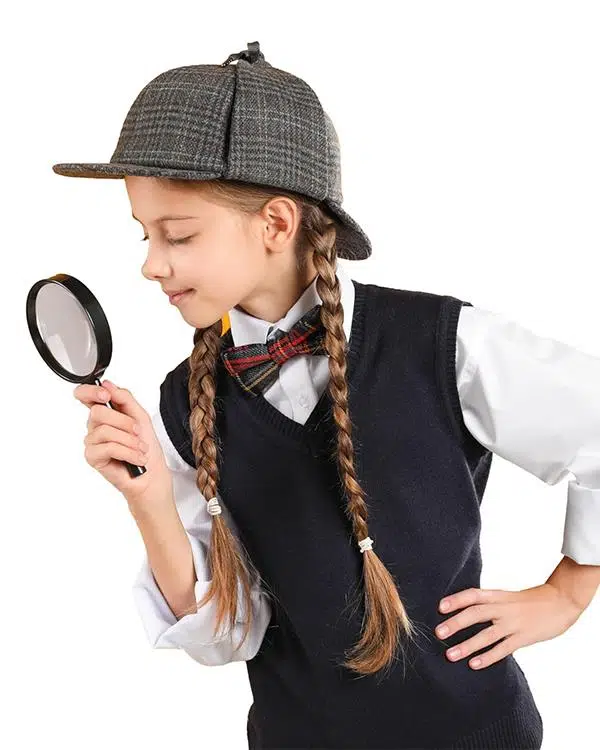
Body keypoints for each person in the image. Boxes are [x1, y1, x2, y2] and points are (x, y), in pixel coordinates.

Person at [56, 41, 600, 750]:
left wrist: (567, 592)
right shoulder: (184, 404)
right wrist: (152, 500)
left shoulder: (440, 344)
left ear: (277, 224)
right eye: (145, 236)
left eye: (178, 236)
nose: (152, 265)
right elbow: (229, 636)